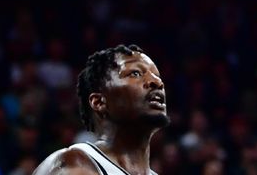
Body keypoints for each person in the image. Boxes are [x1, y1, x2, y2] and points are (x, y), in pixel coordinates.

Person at [33, 44, 168, 175]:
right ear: (98, 102)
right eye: (135, 73)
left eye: (157, 75)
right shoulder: (72, 165)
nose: (157, 82)